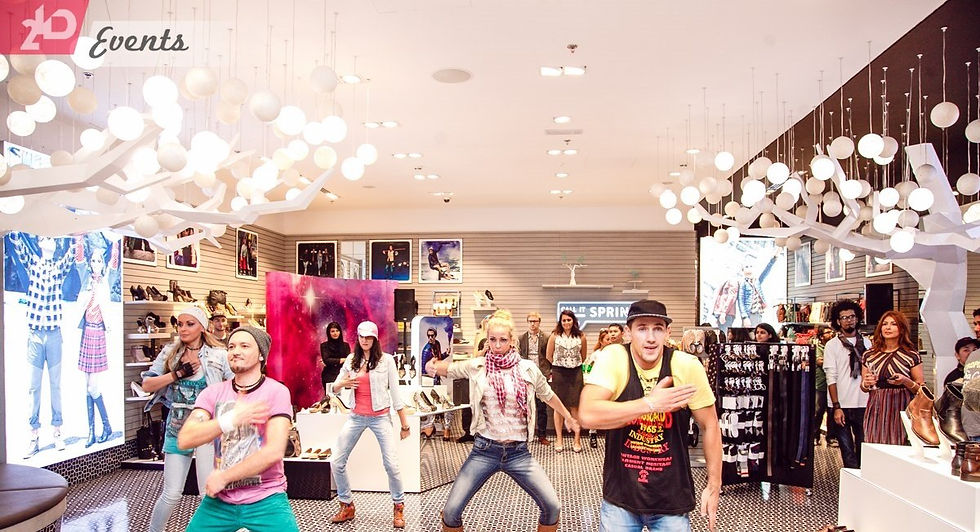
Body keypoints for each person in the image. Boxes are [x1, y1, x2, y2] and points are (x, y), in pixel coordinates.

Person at [579, 300, 721, 532]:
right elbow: (587, 414)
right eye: (642, 328)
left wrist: (714, 485)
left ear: (668, 333)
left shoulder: (685, 365)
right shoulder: (615, 358)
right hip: (621, 497)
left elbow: (710, 425)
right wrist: (650, 404)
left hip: (671, 499)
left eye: (658, 328)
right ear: (628, 333)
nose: (651, 338)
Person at [428, 314, 579, 532]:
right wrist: (432, 364)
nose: (497, 345)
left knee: (552, 507)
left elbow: (548, 395)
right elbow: (448, 369)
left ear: (512, 341)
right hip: (484, 451)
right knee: (451, 513)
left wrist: (569, 417)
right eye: (492, 339)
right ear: (487, 340)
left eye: (503, 340)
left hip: (518, 453)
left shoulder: (527, 368)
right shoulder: (478, 366)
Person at [177, 326, 300, 532]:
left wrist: (224, 477)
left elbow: (274, 451)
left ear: (261, 355)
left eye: (244, 346)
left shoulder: (276, 392)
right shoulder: (212, 393)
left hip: (266, 498)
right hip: (220, 502)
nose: (236, 351)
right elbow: (185, 439)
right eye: (231, 347)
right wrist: (229, 420)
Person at [142, 306, 233, 532]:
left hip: (206, 430)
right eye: (180, 324)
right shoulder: (170, 353)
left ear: (202, 327)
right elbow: (147, 385)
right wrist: (176, 374)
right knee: (171, 493)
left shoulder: (218, 355)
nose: (183, 329)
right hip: (177, 428)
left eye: (190, 324)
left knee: (206, 493)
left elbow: (235, 385)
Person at [329, 321, 410, 528]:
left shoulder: (386, 361)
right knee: (336, 461)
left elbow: (396, 394)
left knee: (391, 464)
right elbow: (334, 388)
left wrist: (404, 425)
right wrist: (342, 384)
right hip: (356, 416)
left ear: (375, 339)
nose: (365, 340)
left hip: (380, 417)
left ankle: (398, 506)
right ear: (357, 338)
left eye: (368, 337)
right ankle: (347, 504)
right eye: (361, 337)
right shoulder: (351, 360)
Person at [7, 233, 78, 457]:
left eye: (52, 238)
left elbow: (71, 256)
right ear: (39, 243)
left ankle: (57, 431)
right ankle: (34, 434)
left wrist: (77, 238)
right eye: (46, 238)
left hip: (54, 334)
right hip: (36, 335)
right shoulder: (33, 263)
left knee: (55, 385)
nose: (50, 240)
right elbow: (18, 245)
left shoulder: (58, 267)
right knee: (34, 386)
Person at [860, 311, 924, 445]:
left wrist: (905, 381)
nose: (888, 328)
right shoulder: (869, 355)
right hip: (876, 405)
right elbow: (863, 387)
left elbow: (920, 388)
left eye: (893, 324)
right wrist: (866, 383)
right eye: (884, 324)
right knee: (874, 443)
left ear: (902, 329)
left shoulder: (911, 355)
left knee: (899, 445)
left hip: (901, 405)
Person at [78, 234, 117, 448]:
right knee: (87, 387)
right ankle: (92, 431)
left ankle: (106, 426)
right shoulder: (87, 280)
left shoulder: (106, 280)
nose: (95, 264)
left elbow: (114, 262)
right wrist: (79, 237)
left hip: (98, 333)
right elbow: (79, 259)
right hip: (86, 333)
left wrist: (115, 241)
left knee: (93, 386)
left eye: (98, 260)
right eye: (93, 260)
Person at [822, 299, 870, 469]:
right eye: (844, 317)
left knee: (865, 448)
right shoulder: (832, 346)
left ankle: (862, 479)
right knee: (847, 450)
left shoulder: (868, 344)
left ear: (857, 318)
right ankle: (851, 480)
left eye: (852, 316)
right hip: (841, 404)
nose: (849, 320)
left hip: (863, 403)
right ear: (838, 321)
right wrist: (836, 406)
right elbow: (831, 377)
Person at [546, 310, 587, 452]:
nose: (566, 322)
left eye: (569, 320)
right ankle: (559, 439)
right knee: (559, 406)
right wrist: (560, 364)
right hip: (559, 373)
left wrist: (572, 364)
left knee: (575, 406)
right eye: (564, 320)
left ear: (573, 321)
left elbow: (583, 356)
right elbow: (549, 355)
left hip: (576, 373)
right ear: (560, 322)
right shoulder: (554, 336)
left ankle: (577, 440)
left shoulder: (581, 336)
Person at [518, 312, 551, 445]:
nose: (532, 324)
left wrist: (549, 372)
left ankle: (542, 435)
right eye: (530, 321)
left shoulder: (546, 338)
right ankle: (524, 434)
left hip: (541, 375)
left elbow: (549, 355)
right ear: (527, 322)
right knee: (525, 406)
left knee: (542, 407)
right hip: (526, 375)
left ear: (539, 322)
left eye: (535, 321)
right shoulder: (521, 338)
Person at [813, 326, 837, 446]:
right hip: (821, 384)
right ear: (821, 336)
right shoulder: (818, 348)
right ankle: (814, 435)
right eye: (827, 332)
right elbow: (819, 361)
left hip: (833, 384)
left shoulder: (835, 347)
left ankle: (831, 437)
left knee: (832, 411)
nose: (831, 334)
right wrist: (833, 361)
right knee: (818, 411)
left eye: (831, 331)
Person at [319, 322, 350, 390]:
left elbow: (348, 361)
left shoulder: (346, 345)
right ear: (329, 333)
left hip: (343, 375)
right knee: (330, 395)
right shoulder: (324, 346)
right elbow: (326, 360)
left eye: (337, 331)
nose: (335, 333)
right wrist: (341, 360)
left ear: (340, 332)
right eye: (332, 331)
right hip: (329, 375)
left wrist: (332, 361)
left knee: (344, 395)